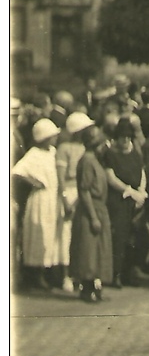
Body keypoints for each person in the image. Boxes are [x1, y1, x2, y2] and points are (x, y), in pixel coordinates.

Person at [12, 119, 62, 291]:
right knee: (39, 234)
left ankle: (49, 273)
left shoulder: (54, 152)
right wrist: (34, 181)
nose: (55, 139)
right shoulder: (34, 153)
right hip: (40, 200)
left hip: (52, 199)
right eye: (52, 136)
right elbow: (17, 171)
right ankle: (36, 275)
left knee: (51, 236)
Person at [69, 126, 114, 303]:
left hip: (99, 208)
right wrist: (93, 217)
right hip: (91, 209)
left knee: (98, 249)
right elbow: (85, 191)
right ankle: (86, 288)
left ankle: (94, 285)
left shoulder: (95, 160)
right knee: (88, 250)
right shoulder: (87, 161)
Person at [103, 118, 147, 288]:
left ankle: (131, 272)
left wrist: (141, 192)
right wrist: (129, 191)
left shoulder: (135, 153)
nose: (126, 140)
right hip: (119, 201)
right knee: (119, 238)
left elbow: (142, 173)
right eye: (122, 137)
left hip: (135, 201)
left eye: (128, 137)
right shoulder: (110, 154)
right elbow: (111, 178)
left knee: (135, 237)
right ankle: (116, 274)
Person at [55, 112, 95, 292]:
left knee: (81, 236)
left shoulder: (87, 149)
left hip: (83, 194)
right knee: (66, 235)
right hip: (70, 194)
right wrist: (64, 199)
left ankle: (81, 274)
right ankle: (66, 276)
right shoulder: (64, 148)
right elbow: (61, 178)